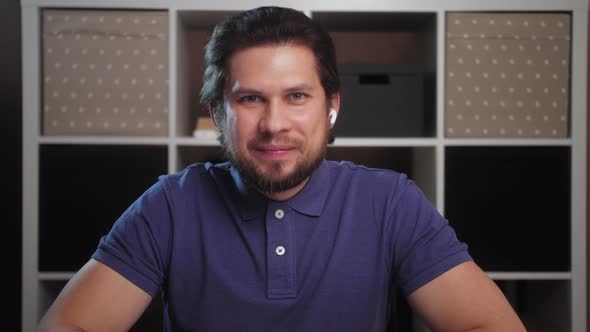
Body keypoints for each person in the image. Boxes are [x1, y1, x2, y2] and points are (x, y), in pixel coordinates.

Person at [39, 6, 526, 332]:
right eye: (250, 99)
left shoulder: (390, 202)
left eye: (296, 96)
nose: (274, 125)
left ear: (330, 106)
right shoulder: (170, 205)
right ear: (217, 114)